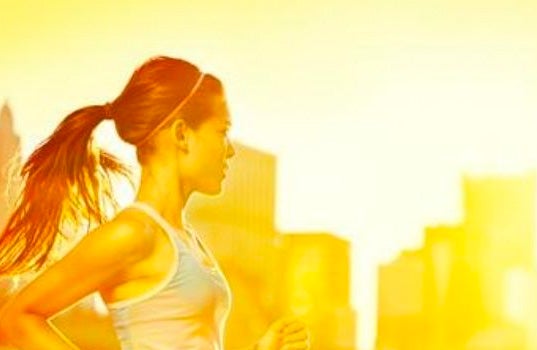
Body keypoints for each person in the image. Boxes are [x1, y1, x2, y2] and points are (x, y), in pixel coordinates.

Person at [0, 56, 310, 350]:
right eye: (222, 131)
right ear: (181, 134)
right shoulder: (134, 234)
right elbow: (17, 318)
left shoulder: (186, 239)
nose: (229, 150)